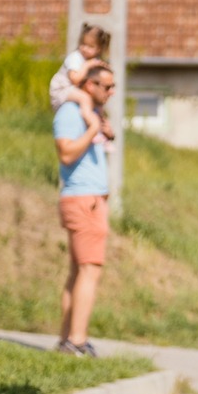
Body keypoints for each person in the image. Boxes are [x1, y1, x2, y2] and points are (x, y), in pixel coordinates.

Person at [54, 60, 117, 357]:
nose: (112, 92)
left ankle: (67, 340)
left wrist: (102, 128)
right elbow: (66, 153)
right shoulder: (72, 112)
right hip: (83, 199)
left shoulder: (91, 112)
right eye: (107, 86)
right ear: (89, 85)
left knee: (79, 272)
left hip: (88, 198)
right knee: (90, 270)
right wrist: (93, 128)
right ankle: (77, 342)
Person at [50, 23, 110, 116]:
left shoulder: (94, 60)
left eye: (90, 46)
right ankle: (91, 120)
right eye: (83, 44)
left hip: (75, 91)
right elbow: (74, 79)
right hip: (62, 90)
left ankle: (99, 120)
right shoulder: (76, 57)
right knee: (85, 98)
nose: (85, 49)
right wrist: (86, 65)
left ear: (98, 49)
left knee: (99, 104)